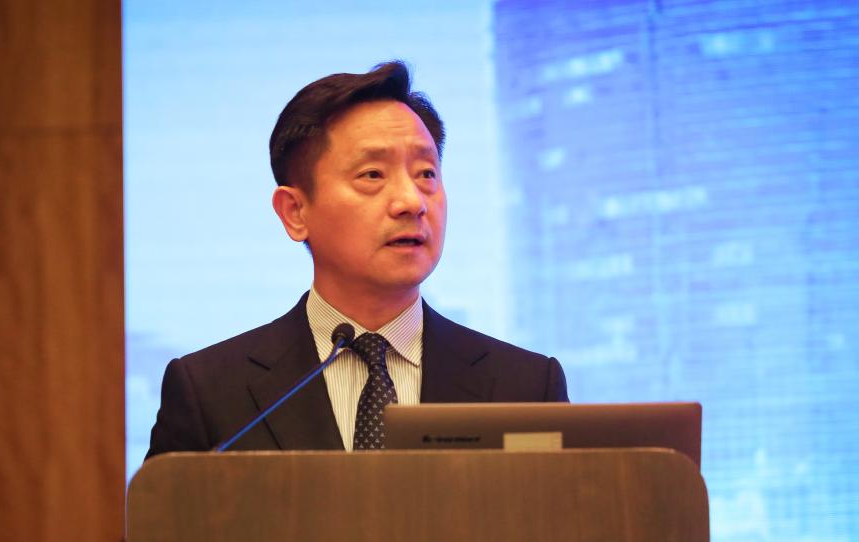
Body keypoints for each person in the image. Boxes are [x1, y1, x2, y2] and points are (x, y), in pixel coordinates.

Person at [146, 61, 567, 458]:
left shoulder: (526, 388)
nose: (411, 202)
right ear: (295, 212)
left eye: (426, 174)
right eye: (373, 175)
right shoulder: (211, 393)